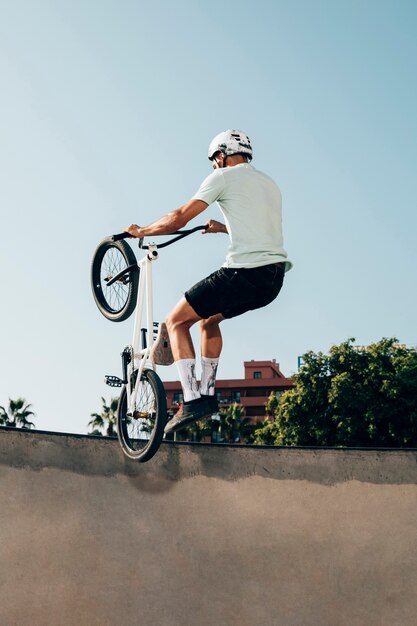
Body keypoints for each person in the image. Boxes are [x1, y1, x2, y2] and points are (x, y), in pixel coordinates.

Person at [126, 129, 292, 434]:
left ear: (223, 155)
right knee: (208, 322)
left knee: (175, 321)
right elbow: (260, 230)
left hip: (243, 272)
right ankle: (208, 392)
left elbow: (178, 218)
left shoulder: (223, 177)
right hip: (272, 279)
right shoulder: (270, 184)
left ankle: (191, 400)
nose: (214, 167)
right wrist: (223, 228)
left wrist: (144, 231)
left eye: (214, 161)